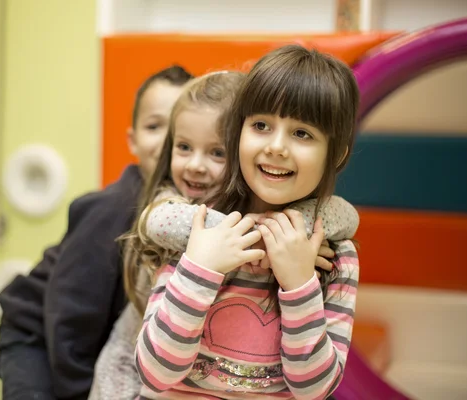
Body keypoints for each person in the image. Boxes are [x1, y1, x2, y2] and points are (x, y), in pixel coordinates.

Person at [135, 45, 361, 399]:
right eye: (260, 125)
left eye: (302, 133)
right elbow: (154, 373)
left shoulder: (334, 254)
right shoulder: (200, 228)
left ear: (336, 154)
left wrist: (299, 282)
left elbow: (315, 389)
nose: (276, 146)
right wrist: (201, 266)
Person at [0, 65, 193, 400]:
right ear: (133, 139)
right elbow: (70, 320)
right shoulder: (113, 208)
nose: (165, 141)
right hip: (37, 336)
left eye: (176, 129)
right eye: (153, 126)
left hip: (79, 338)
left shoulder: (181, 207)